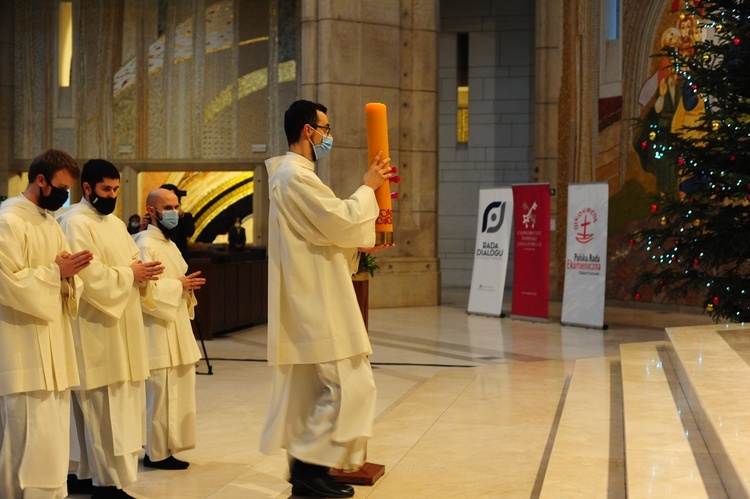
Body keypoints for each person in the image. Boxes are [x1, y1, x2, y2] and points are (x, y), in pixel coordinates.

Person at [260, 100, 393, 498]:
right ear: (307, 130)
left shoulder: (297, 175)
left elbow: (325, 233)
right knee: (351, 385)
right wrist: (368, 187)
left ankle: (308, 470)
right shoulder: (292, 176)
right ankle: (307, 469)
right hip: (316, 299)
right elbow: (338, 220)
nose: (328, 135)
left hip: (317, 291)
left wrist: (362, 246)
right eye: (326, 128)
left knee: (326, 389)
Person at [58, 159, 164, 499]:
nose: (113, 195)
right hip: (96, 329)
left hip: (122, 327)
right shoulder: (75, 223)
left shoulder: (115, 224)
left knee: (114, 409)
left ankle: (91, 475)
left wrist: (141, 273)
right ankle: (107, 484)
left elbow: (134, 261)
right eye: (106, 189)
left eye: (116, 189)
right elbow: (88, 276)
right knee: (100, 411)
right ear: (86, 188)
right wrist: (130, 275)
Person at [0, 149, 93, 498]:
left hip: (53, 346)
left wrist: (69, 275)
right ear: (41, 180)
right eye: (62, 188)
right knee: (24, 435)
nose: (64, 196)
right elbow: (6, 281)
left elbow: (64, 276)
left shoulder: (49, 221)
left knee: (51, 436)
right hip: (22, 348)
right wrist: (56, 272)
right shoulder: (9, 219)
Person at [132, 188, 205, 471]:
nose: (176, 212)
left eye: (177, 206)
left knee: (177, 391)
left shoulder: (170, 244)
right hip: (156, 331)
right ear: (151, 211)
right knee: (159, 394)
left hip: (176, 328)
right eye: (169, 207)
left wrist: (185, 287)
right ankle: (155, 451)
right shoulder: (143, 243)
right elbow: (142, 289)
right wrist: (179, 286)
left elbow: (178, 279)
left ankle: (169, 447)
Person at [159, 184, 195, 256]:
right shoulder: (155, 216)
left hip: (179, 254)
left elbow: (189, 232)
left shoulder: (185, 217)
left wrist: (181, 216)